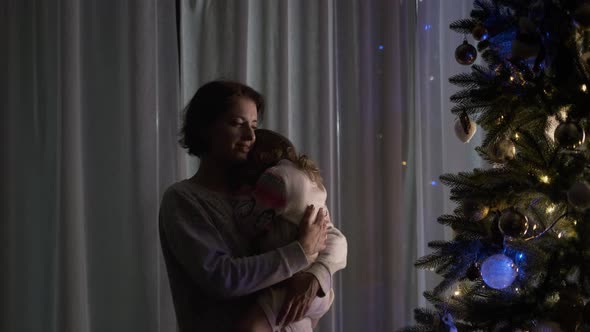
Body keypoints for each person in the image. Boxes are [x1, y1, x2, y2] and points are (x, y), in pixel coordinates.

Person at [158, 80, 347, 332]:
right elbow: (221, 277)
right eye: (237, 124)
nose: (250, 136)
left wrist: (315, 275)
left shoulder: (268, 189)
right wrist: (299, 253)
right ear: (205, 128)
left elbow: (333, 237)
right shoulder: (183, 200)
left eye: (254, 126)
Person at [233, 128, 343, 332]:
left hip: (293, 284)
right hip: (321, 291)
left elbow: (248, 221)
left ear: (261, 157)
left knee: (250, 326)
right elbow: (334, 235)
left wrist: (242, 197)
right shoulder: (310, 181)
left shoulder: (275, 179)